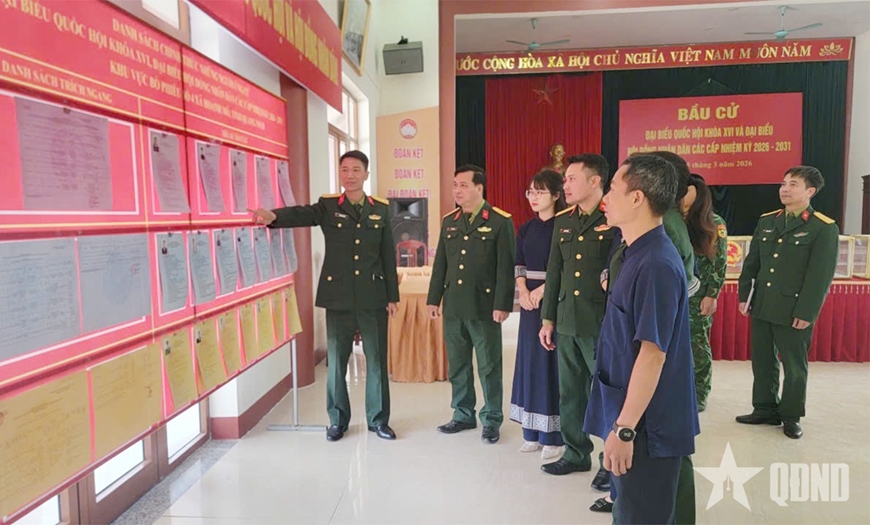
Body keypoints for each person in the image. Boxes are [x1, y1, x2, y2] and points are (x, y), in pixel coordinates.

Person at [249, 150, 399, 442]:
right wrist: (274, 217)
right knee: (337, 361)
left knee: (377, 361)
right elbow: (303, 213)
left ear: (366, 174)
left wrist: (392, 296)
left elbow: (387, 254)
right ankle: (337, 420)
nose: (350, 175)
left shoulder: (380, 209)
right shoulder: (329, 206)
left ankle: (379, 420)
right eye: (345, 169)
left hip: (373, 295)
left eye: (356, 170)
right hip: (338, 297)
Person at [584, 154, 699, 525]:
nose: (605, 198)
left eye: (613, 189)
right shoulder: (634, 252)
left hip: (647, 425)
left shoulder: (656, 265)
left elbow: (652, 354)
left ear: (637, 198)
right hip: (632, 410)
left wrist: (624, 429)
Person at [736, 166, 839, 440]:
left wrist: (807, 312)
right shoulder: (767, 221)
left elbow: (820, 276)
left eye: (793, 184)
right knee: (763, 361)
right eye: (783, 183)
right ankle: (764, 408)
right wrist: (745, 296)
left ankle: (791, 416)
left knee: (794, 366)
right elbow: (752, 263)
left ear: (810, 191)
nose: (784, 189)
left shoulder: (822, 227)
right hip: (762, 304)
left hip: (793, 309)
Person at [538, 154, 616, 477]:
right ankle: (575, 453)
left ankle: (610, 461)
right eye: (565, 179)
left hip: (601, 323)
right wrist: (548, 319)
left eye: (572, 179)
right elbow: (554, 271)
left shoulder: (614, 217)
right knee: (570, 392)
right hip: (567, 320)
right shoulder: (564, 220)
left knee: (607, 393)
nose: (565, 185)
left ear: (595, 181)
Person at [427, 164, 516, 444]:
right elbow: (441, 264)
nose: (457, 190)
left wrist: (502, 304)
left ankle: (491, 418)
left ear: (479, 188)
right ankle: (463, 414)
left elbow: (505, 268)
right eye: (455, 185)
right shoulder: (449, 221)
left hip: (484, 306)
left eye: (463, 185)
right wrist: (433, 299)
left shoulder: (499, 221)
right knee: (458, 365)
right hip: (454, 305)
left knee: (489, 366)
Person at [511, 170, 566, 460]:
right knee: (529, 362)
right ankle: (531, 431)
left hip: (553, 299)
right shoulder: (527, 228)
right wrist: (522, 289)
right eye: (530, 192)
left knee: (549, 363)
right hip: (529, 303)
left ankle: (553, 436)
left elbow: (564, 266)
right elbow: (519, 263)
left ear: (556, 195)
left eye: (539, 192)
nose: (533, 197)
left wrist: (543, 290)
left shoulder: (564, 226)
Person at [682, 174, 728, 412]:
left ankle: (700, 393)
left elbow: (719, 261)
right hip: (674, 293)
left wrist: (712, 294)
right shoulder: (671, 219)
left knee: (698, 345)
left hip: (699, 295)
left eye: (686, 190)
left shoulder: (713, 222)